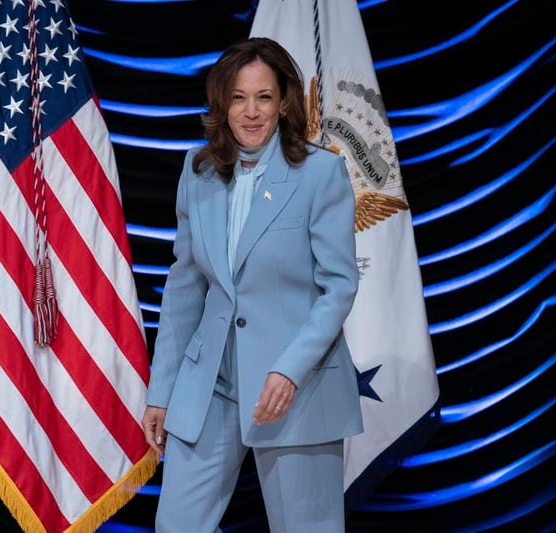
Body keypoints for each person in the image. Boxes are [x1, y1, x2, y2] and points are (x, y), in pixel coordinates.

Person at [141, 37, 363, 533]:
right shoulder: (197, 173)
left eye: (264, 97)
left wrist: (289, 370)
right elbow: (184, 287)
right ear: (221, 104)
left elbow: (339, 287)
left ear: (284, 101)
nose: (251, 111)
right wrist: (162, 391)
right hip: (211, 388)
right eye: (239, 98)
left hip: (292, 389)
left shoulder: (319, 173)